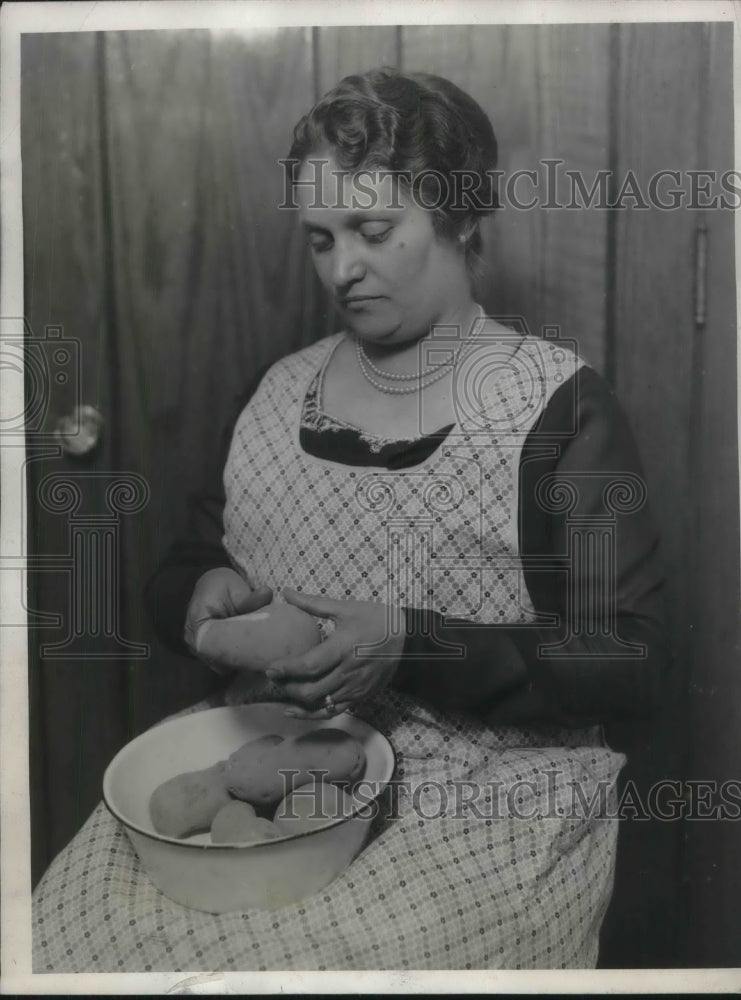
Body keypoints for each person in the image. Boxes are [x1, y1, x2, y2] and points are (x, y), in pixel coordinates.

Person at [32, 68, 667, 972]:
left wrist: (408, 644)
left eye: (374, 231)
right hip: (271, 753)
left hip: (485, 795)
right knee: (61, 937)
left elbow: (630, 658)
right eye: (320, 239)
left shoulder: (557, 409)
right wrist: (196, 598)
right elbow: (190, 561)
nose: (342, 269)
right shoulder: (279, 389)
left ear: (457, 216)